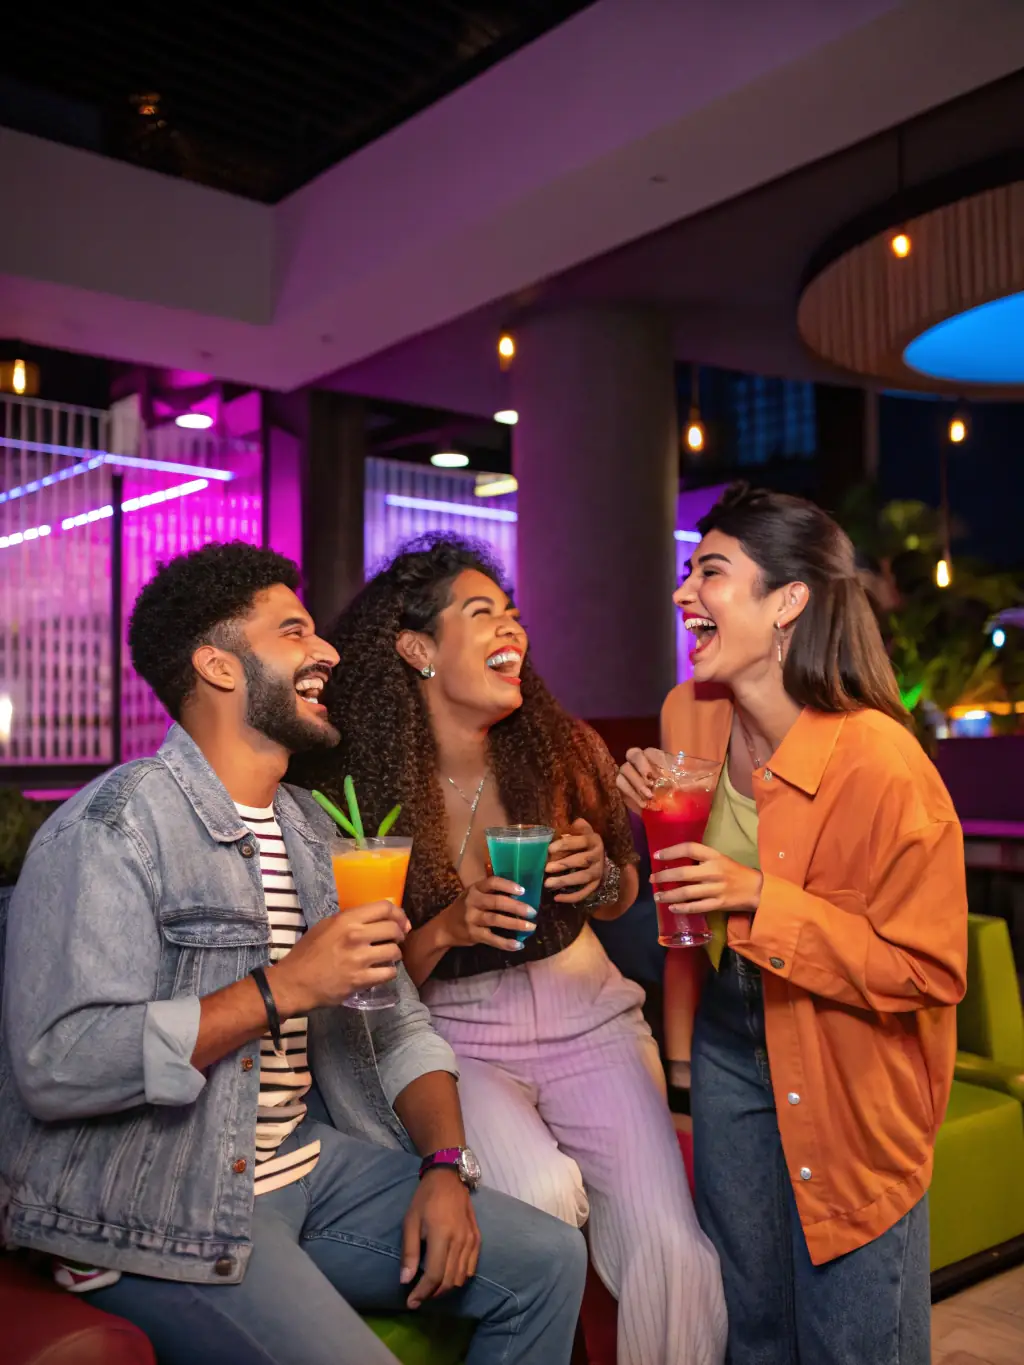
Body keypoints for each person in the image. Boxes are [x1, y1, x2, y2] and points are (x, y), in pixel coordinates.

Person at [0, 542, 587, 1365]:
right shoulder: (113, 828)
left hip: (303, 1164)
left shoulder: (317, 831)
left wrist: (447, 1165)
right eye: (294, 631)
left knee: (551, 1260)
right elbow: (59, 1064)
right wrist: (279, 988)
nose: (329, 651)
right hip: (159, 1198)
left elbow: (400, 1025)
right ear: (219, 665)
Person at [297, 535, 728, 1365]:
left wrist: (603, 875)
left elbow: (627, 893)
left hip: (589, 1012)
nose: (513, 628)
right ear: (418, 649)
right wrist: (449, 927)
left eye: (515, 613)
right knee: (536, 1197)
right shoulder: (357, 788)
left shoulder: (565, 747)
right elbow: (366, 983)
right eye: (482, 610)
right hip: (459, 1036)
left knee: (674, 1250)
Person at [617, 484, 967, 1365]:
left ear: (787, 604)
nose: (683, 591)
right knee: (754, 1323)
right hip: (734, 1040)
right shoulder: (688, 711)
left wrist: (758, 897)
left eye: (711, 571)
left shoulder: (884, 763)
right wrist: (685, 1069)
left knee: (853, 1335)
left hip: (853, 1058)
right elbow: (683, 908)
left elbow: (928, 970)